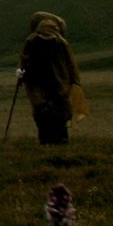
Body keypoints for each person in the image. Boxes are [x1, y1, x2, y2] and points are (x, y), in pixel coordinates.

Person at [18, 12, 86, 145]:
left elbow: (71, 65)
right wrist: (22, 73)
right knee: (40, 110)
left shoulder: (62, 44)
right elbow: (24, 60)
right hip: (36, 81)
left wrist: (74, 82)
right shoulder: (31, 42)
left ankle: (61, 138)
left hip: (59, 81)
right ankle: (45, 139)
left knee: (61, 110)